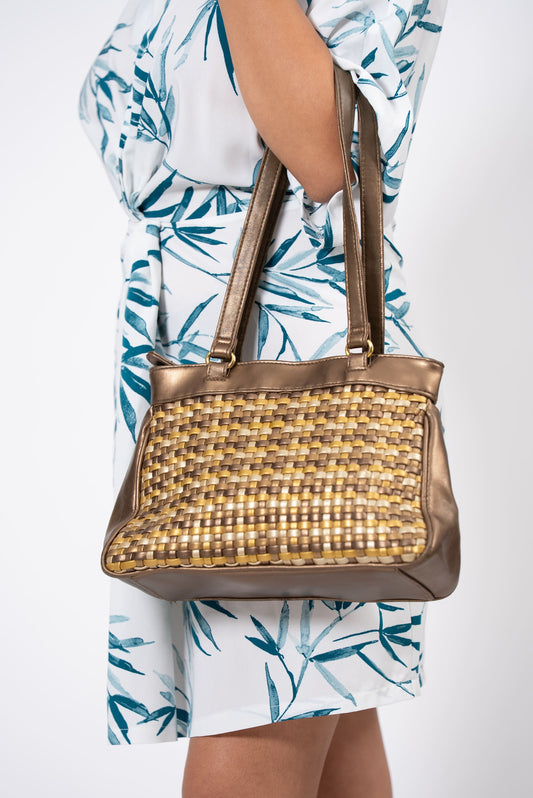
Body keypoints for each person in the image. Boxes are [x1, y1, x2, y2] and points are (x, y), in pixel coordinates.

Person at [79, 0, 448, 795]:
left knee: (265, 707)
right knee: (319, 698)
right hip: (199, 361)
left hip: (292, 381)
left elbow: (329, 152)